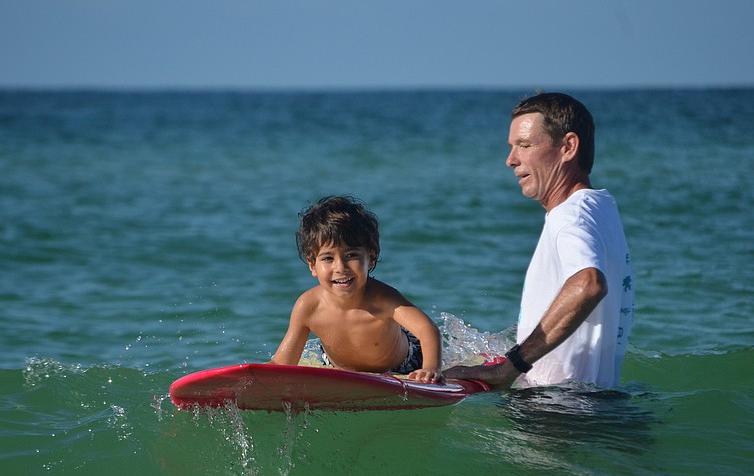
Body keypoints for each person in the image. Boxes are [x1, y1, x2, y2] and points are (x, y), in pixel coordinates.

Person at [441, 92, 634, 390]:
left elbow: (588, 285)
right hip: (592, 401)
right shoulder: (601, 207)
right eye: (512, 147)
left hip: (553, 411)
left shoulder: (570, 215)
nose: (510, 160)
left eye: (525, 145)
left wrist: (512, 365)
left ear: (568, 147)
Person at [271, 195, 443, 383]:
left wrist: (431, 368)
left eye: (351, 255)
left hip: (403, 365)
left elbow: (426, 329)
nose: (340, 267)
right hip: (336, 367)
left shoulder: (383, 299)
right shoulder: (308, 306)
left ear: (371, 257)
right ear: (312, 265)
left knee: (438, 371)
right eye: (328, 258)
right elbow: (283, 363)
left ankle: (466, 372)